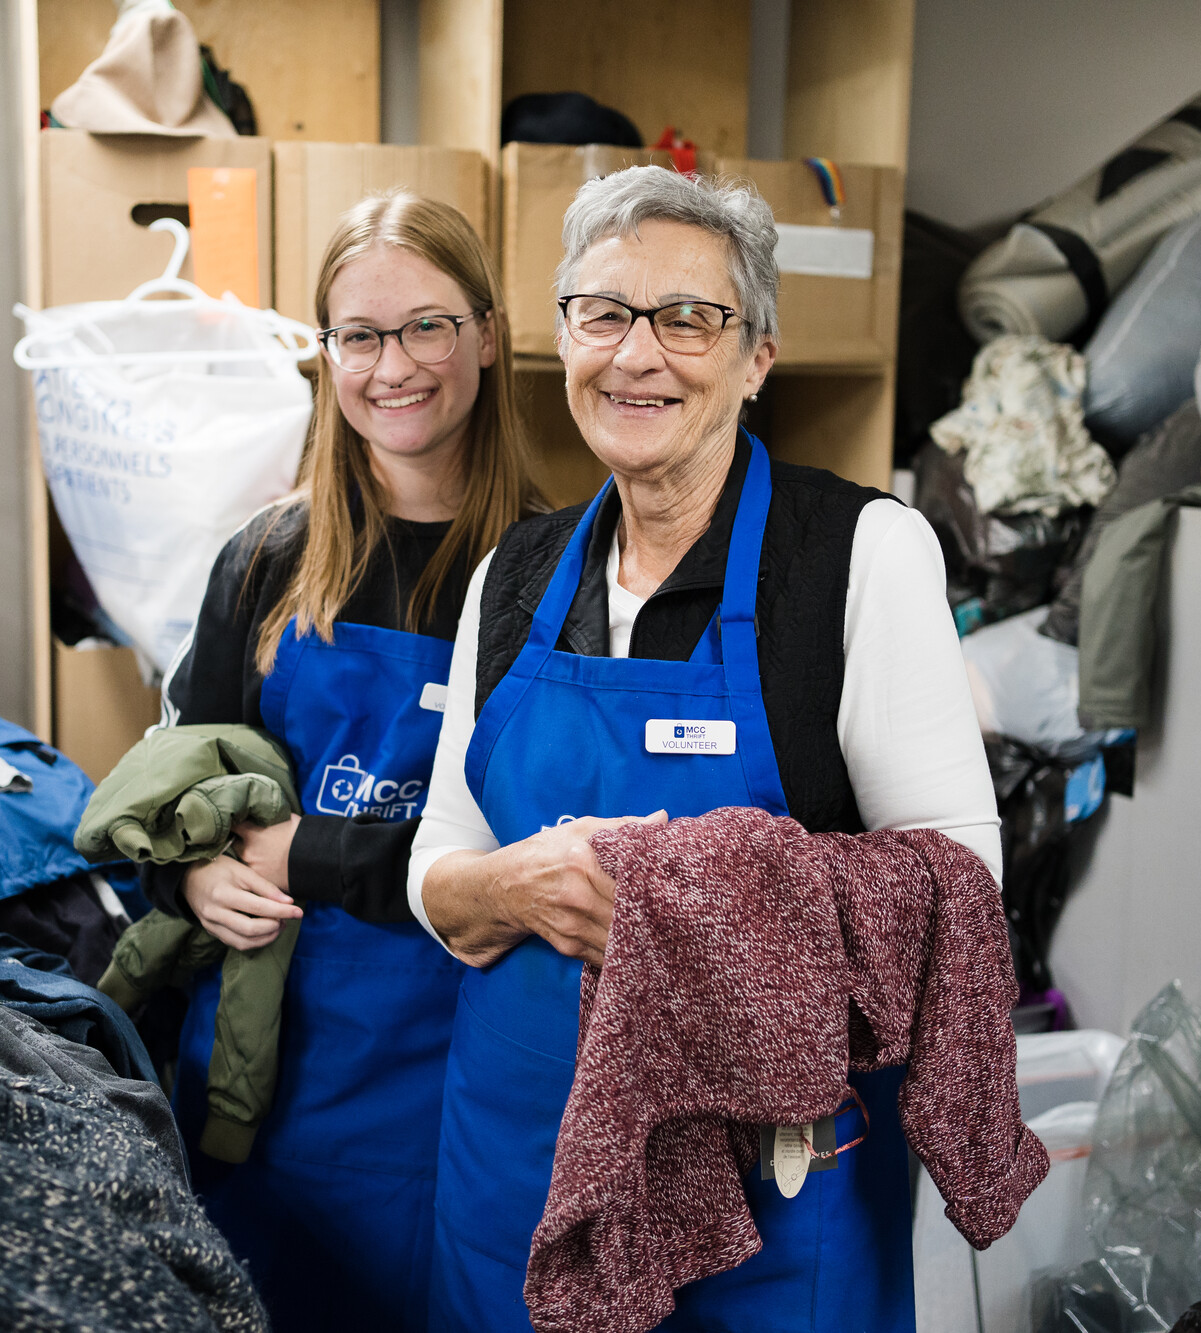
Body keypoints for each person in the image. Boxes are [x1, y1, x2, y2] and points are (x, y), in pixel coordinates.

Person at [408, 167, 1005, 1331]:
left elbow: (956, 895)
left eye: (688, 319)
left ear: (755, 358)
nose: (638, 355)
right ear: (562, 338)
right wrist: (515, 885)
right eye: (604, 313)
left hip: (763, 1220)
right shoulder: (514, 572)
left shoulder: (860, 553)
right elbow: (439, 862)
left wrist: (685, 898)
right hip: (512, 1176)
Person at [158, 191, 543, 1332]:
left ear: (485, 335)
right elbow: (178, 781)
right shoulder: (267, 558)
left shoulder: (552, 571)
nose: (392, 366)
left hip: (457, 1072)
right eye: (358, 336)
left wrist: (307, 850)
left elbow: (536, 853)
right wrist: (186, 873)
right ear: (324, 355)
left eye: (425, 326)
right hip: (267, 1074)